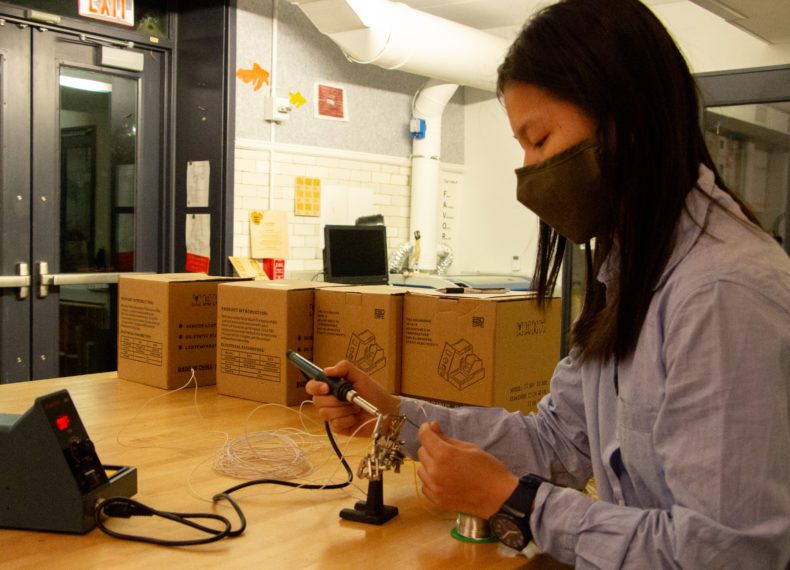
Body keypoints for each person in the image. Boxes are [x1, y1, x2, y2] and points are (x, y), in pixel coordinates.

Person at [306, 0, 790, 567]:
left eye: (538, 140)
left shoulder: (719, 292)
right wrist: (392, 416)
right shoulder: (630, 268)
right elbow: (559, 442)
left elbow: (726, 555)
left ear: (625, 121)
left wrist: (518, 504)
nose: (530, 172)